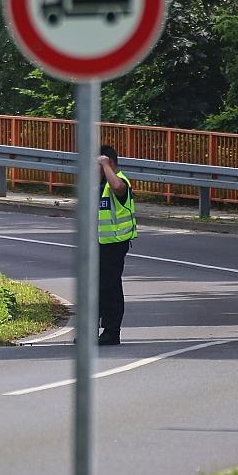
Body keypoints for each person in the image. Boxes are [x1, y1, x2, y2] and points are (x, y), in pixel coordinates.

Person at [96, 144, 137, 345]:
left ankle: (112, 332)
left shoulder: (119, 182)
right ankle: (91, 330)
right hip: (99, 244)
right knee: (95, 288)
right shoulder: (101, 185)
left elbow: (119, 188)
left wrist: (105, 165)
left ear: (109, 163)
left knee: (109, 288)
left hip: (114, 245)